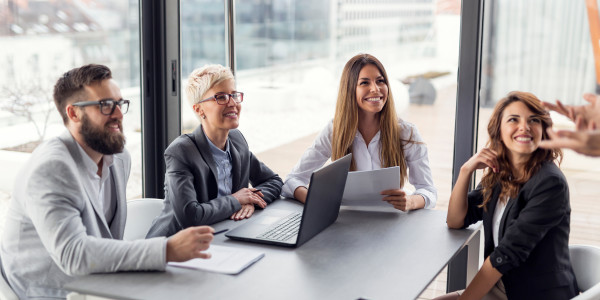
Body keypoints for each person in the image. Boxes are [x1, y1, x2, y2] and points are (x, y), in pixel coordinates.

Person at [0, 64, 215, 300]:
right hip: (48, 293)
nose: (119, 114)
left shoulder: (119, 158)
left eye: (120, 103)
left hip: (101, 285)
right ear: (73, 113)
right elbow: (74, 254)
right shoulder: (51, 169)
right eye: (105, 105)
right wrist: (166, 250)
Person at [439, 91, 578, 300]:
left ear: (543, 130)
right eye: (514, 119)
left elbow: (507, 253)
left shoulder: (550, 184)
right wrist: (466, 170)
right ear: (499, 129)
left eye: (534, 120)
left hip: (534, 293)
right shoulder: (501, 174)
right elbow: (456, 220)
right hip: (504, 285)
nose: (525, 127)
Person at [281, 53, 436, 211]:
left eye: (380, 81)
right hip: (347, 221)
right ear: (350, 90)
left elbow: (428, 191)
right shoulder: (335, 130)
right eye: (364, 83)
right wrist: (316, 199)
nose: (375, 89)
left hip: (392, 218)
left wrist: (411, 201)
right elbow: (293, 180)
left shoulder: (406, 132)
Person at [146, 64, 283, 238]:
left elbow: (274, 181)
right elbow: (190, 216)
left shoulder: (237, 140)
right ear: (199, 109)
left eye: (233, 95)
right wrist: (236, 200)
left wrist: (251, 202)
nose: (232, 103)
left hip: (223, 236)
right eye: (221, 97)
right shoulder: (181, 152)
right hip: (174, 246)